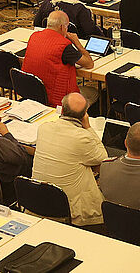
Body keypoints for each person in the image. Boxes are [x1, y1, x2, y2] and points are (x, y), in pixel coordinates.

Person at [32, 92, 106, 226]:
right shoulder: (82, 137)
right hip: (68, 207)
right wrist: (88, 127)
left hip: (38, 200)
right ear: (84, 115)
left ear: (62, 108)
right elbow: (103, 157)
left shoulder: (44, 128)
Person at [24, 10, 97, 106]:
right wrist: (77, 43)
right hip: (58, 98)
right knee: (94, 92)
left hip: (32, 92)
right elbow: (89, 64)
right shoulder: (63, 45)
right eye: (67, 27)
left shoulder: (34, 36)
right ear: (62, 27)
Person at [33, 0, 98, 38]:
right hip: (75, 42)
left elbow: (37, 24)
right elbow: (90, 31)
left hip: (49, 39)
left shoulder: (46, 4)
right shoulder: (79, 8)